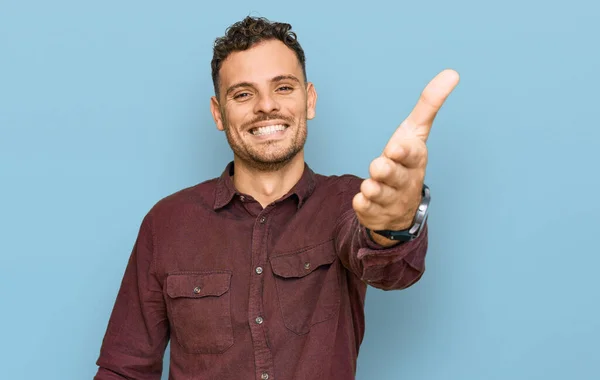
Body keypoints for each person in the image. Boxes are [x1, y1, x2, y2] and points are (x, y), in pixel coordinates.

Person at [94, 15, 459, 380]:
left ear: (309, 99)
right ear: (218, 113)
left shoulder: (349, 201)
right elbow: (124, 369)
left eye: (283, 87)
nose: (266, 106)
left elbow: (392, 270)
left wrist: (394, 225)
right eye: (243, 94)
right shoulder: (167, 223)